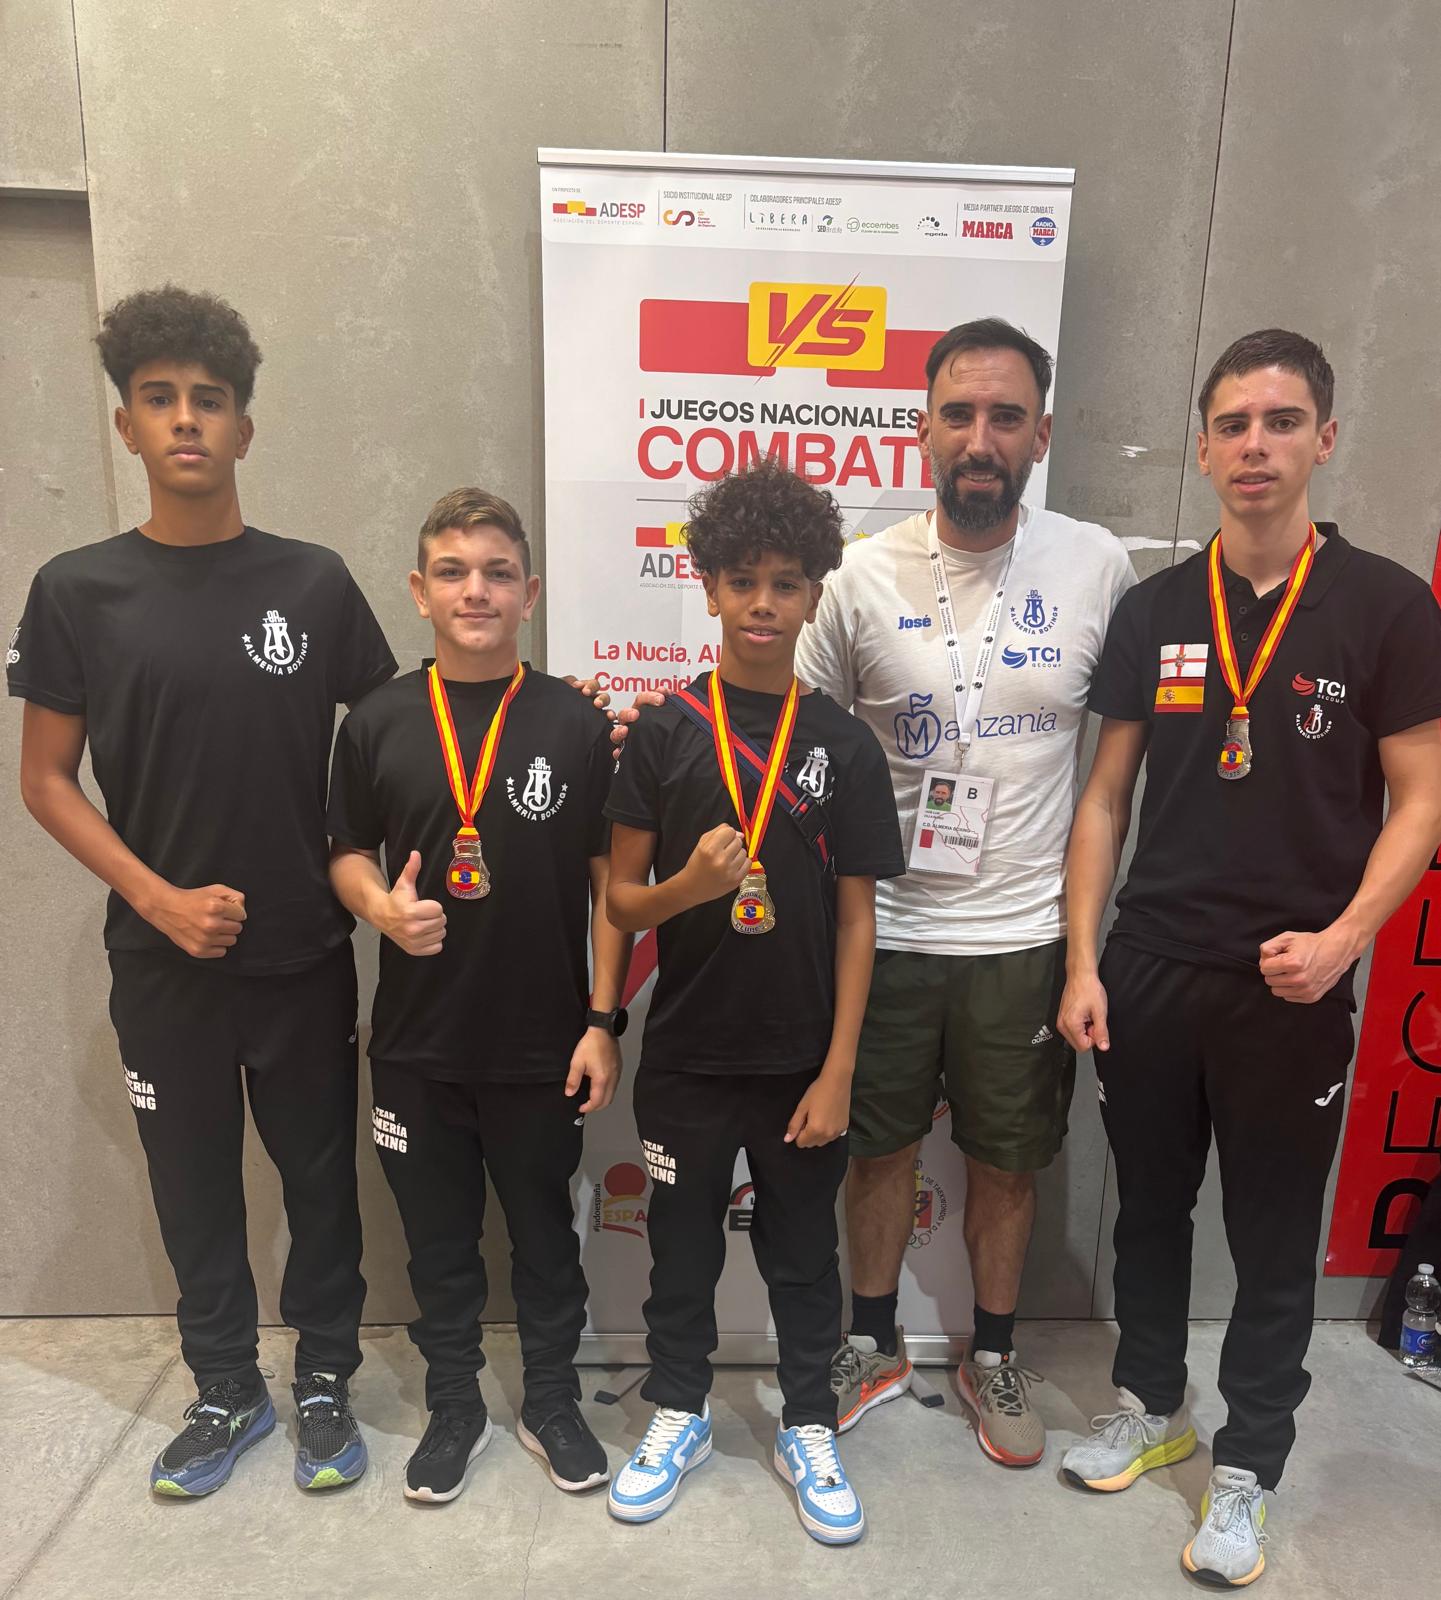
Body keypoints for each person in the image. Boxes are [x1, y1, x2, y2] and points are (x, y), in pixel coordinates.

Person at [1057, 329, 1441, 1587]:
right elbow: (1103, 798)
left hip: (1294, 979)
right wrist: (1083, 959)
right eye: (1231, 424)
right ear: (1204, 445)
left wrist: (1340, 941)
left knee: (1272, 1233)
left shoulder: (1385, 604)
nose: (1254, 446)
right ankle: (1151, 1401)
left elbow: (1423, 795)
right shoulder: (1158, 608)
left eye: (1280, 422)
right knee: (1149, 1215)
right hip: (1151, 966)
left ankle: (1248, 1467)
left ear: (1324, 438)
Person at [8, 286, 397, 1496]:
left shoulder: (315, 583)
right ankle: (226, 1387)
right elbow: (46, 780)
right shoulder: (77, 589)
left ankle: (324, 1377)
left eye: (209, 401)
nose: (186, 420)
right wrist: (160, 895)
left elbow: (401, 740)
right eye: (160, 399)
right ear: (125, 425)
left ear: (244, 427)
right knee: (192, 1191)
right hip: (162, 962)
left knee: (322, 1184)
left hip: (303, 956)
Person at [790, 319, 1134, 1461]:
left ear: (1041, 431)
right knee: (875, 1151)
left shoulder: (1095, 566)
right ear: (921, 425)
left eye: (1002, 416)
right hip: (880, 930)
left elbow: (1109, 782)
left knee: (1007, 1162)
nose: (978, 439)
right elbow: (790, 745)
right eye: (956, 413)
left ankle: (993, 1352)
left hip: (1023, 934)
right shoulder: (855, 574)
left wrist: (1082, 953)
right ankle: (872, 1338)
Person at [603, 459, 904, 1544]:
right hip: (686, 1054)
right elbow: (621, 901)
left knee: (799, 1254)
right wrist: (689, 887)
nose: (763, 604)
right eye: (741, 581)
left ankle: (807, 1419)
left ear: (816, 591)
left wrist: (837, 1069)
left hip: (796, 1062)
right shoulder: (667, 732)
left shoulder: (842, 744)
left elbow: (862, 921)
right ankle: (678, 1406)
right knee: (680, 1246)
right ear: (709, 586)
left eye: (785, 582)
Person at [327, 488, 631, 1503]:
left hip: (543, 1044)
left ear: (530, 592)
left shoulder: (575, 723)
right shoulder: (375, 720)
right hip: (415, 1046)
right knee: (439, 1246)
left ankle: (551, 1398)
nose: (476, 589)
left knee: (547, 1238)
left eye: (498, 571)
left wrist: (601, 1021)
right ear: (419, 590)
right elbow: (342, 853)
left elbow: (608, 890)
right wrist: (379, 908)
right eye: (453, 570)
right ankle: (454, 1401)